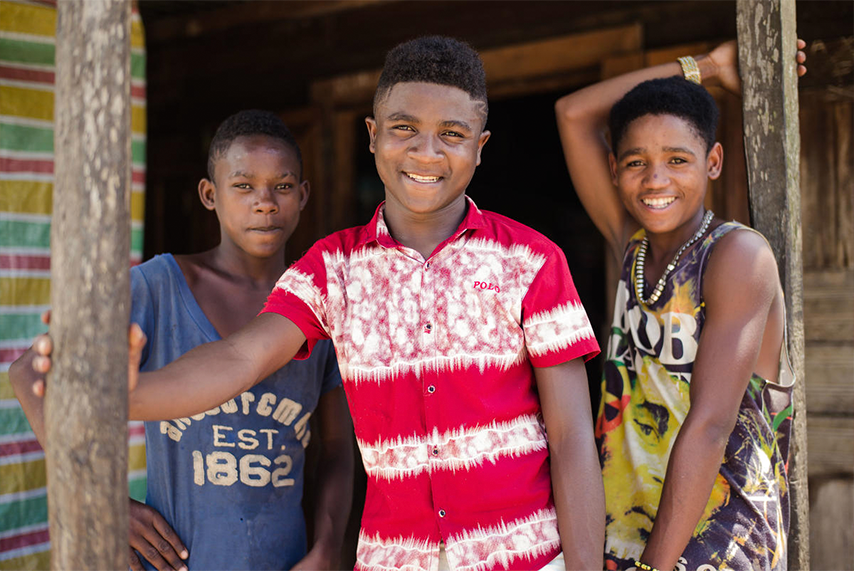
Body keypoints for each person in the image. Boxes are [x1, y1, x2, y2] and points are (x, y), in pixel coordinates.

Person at [23, 36, 605, 571]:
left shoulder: (531, 260)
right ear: (373, 135)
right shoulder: (331, 270)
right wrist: (124, 395)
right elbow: (238, 360)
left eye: (452, 134)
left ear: (479, 148)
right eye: (404, 128)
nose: (427, 152)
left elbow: (573, 437)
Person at [10, 110, 354, 571]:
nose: (266, 202)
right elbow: (29, 371)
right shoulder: (157, 287)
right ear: (209, 195)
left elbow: (336, 448)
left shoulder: (318, 304)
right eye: (244, 185)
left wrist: (329, 545)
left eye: (284, 186)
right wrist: (99, 496)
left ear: (304, 195)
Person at [555, 40, 807, 571]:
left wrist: (655, 567)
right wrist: (708, 68)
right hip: (628, 524)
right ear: (614, 168)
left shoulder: (737, 256)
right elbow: (572, 112)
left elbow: (712, 425)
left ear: (712, 162)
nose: (656, 180)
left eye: (677, 160)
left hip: (719, 537)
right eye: (636, 162)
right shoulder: (633, 244)